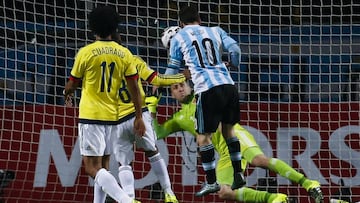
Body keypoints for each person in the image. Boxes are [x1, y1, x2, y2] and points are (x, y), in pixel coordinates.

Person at [146, 80, 324, 203]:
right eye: (175, 88)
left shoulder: (202, 94)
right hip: (224, 153)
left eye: (182, 85)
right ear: (172, 94)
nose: (180, 89)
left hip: (234, 135)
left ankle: (308, 183)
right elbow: (157, 133)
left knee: (258, 160)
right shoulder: (179, 118)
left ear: (190, 86)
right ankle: (275, 199)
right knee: (224, 191)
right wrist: (152, 106)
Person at [63, 6, 143, 203]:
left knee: (92, 168)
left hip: (91, 116)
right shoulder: (124, 53)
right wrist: (139, 116)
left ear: (92, 28)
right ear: (115, 27)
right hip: (112, 116)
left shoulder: (86, 52)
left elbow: (72, 83)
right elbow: (134, 88)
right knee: (104, 167)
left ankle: (126, 200)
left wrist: (67, 92)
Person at [164, 5, 245, 196]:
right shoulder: (215, 30)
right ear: (199, 19)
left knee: (203, 137)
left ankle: (211, 182)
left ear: (181, 24)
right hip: (229, 86)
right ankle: (238, 173)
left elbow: (172, 70)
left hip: (208, 89)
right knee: (229, 131)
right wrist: (233, 63)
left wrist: (158, 84)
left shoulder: (179, 37)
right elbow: (235, 49)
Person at [112, 54, 186, 203]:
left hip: (117, 118)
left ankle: (129, 198)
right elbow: (157, 79)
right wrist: (181, 76)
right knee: (152, 152)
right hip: (139, 113)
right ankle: (169, 193)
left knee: (124, 163)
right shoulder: (132, 59)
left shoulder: (103, 66)